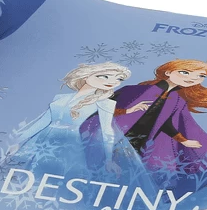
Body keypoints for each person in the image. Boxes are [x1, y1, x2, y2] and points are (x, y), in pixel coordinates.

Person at [81, 59, 207, 195]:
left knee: (129, 173)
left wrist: (183, 140)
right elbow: (103, 109)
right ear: (168, 72)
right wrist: (127, 111)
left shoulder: (177, 100)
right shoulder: (136, 90)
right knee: (107, 166)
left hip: (143, 141)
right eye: (185, 72)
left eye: (200, 76)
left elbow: (167, 124)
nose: (192, 78)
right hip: (116, 135)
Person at [9, 62, 148, 183]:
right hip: (40, 141)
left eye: (119, 79)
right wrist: (18, 142)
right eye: (105, 76)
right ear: (86, 76)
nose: (113, 81)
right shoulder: (60, 97)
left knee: (54, 178)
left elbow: (107, 130)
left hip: (69, 143)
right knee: (22, 175)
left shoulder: (105, 103)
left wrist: (108, 159)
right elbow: (42, 122)